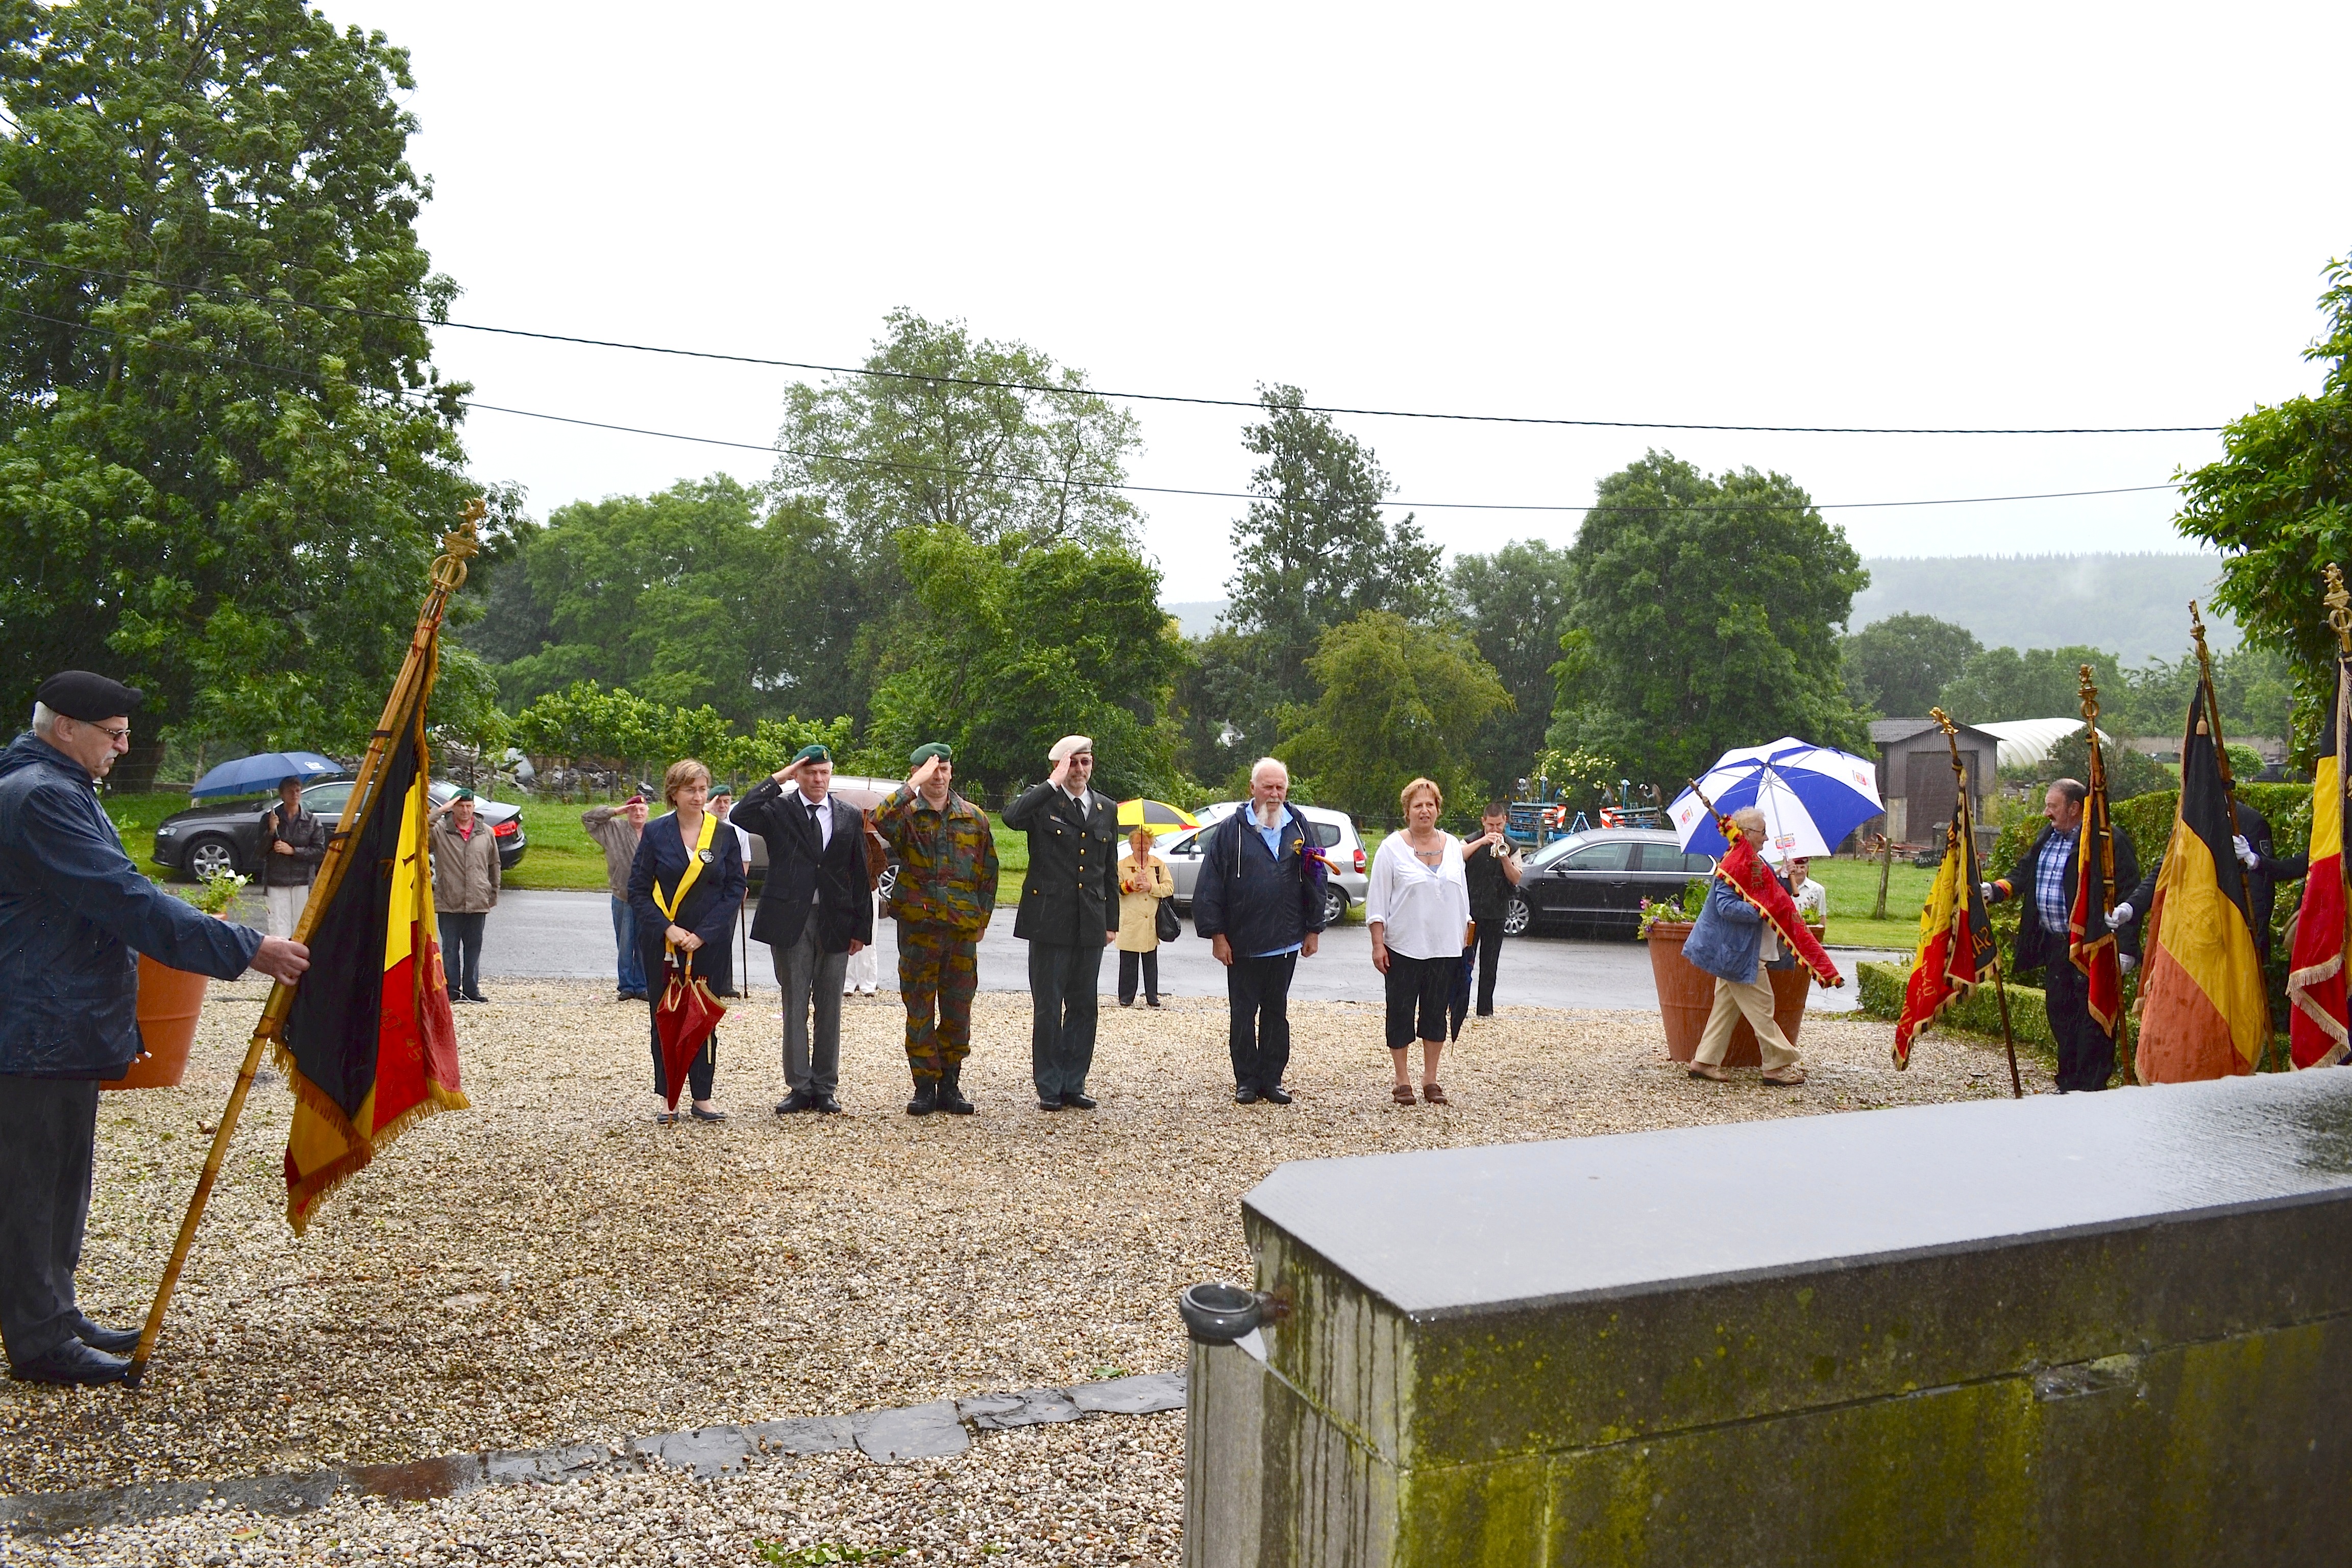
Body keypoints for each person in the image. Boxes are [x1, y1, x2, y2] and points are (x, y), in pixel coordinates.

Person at [1, 672, 310, 1385]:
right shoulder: (43, 796)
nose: (124, 745)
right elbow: (123, 898)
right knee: (31, 1185)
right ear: (65, 729)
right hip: (34, 1024)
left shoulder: (51, 785)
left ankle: (52, 1310)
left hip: (50, 1020)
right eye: (113, 734)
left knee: (57, 1184)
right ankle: (41, 1340)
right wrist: (247, 947)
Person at [733, 745, 872, 1114]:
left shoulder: (845, 815)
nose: (818, 780)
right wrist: (779, 777)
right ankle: (799, 1085)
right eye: (810, 773)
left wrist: (863, 928)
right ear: (798, 775)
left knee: (830, 1007)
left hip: (836, 921)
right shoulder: (779, 810)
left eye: (824, 773)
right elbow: (741, 812)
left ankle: (825, 1086)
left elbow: (859, 874)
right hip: (790, 920)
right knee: (795, 1004)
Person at [1982, 780, 2140, 1093]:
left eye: (2052, 806)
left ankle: (2091, 1086)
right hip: (2056, 945)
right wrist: (1996, 890)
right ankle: (2067, 1082)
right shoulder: (2048, 836)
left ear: (2074, 808)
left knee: (2092, 1019)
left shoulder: (2106, 841)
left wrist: (2129, 947)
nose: (2046, 813)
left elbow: (2130, 892)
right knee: (2060, 1013)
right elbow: (2024, 873)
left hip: (2092, 946)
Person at [1192, 757, 1327, 1106]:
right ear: (1252, 788)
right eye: (1268, 786)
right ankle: (1246, 1081)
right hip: (1242, 942)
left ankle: (1273, 1079)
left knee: (1276, 1013)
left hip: (1285, 939)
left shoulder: (1298, 826)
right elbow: (1210, 884)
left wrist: (1313, 928)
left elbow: (1315, 877)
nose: (1274, 793)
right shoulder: (1230, 831)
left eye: (1280, 786)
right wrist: (1217, 936)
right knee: (1242, 1014)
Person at [874, 744, 1000, 1115]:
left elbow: (989, 873)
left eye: (944, 769)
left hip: (961, 930)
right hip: (919, 930)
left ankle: (951, 1084)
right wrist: (912, 784)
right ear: (918, 774)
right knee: (920, 1009)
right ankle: (924, 1086)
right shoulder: (907, 815)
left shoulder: (973, 818)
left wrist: (982, 920)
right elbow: (880, 818)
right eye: (932, 770)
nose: (939, 776)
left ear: (952, 772)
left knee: (959, 1009)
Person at [1002, 736, 1122, 1111]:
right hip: (1049, 921)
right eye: (1073, 763)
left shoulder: (1105, 807)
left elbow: (1108, 870)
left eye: (1086, 762)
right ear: (1059, 766)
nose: (1081, 770)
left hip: (1089, 920)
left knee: (1085, 1006)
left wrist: (1111, 921)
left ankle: (1075, 1082)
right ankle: (1050, 1086)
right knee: (1049, 1007)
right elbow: (1011, 817)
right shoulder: (1043, 802)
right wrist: (1052, 783)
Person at [626, 758, 746, 1124]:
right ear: (674, 793)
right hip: (663, 944)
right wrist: (668, 928)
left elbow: (735, 889)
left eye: (702, 788)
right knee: (665, 1017)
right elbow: (639, 890)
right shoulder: (657, 832)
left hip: (708, 944)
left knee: (703, 1017)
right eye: (690, 789)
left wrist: (703, 934)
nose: (698, 796)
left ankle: (703, 1096)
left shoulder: (724, 834)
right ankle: (668, 1096)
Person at [1682, 807, 1813, 1087]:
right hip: (1739, 954)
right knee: (1763, 1009)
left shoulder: (1755, 861)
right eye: (1762, 832)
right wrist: (1763, 910)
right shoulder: (1732, 864)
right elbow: (1727, 907)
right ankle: (1777, 1067)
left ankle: (1703, 1062)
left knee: (1725, 1010)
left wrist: (1782, 879)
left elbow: (1766, 892)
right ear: (1746, 834)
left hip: (1739, 952)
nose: (1767, 838)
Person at [1368, 779, 1470, 1105]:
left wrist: (1466, 940)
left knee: (1436, 1012)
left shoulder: (1453, 846)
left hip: (1446, 948)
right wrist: (1378, 943)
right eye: (1418, 805)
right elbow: (1377, 901)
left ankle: (1431, 1079)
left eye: (1430, 805)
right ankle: (1402, 1080)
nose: (1424, 811)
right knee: (1400, 1011)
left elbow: (1461, 898)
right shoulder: (1391, 849)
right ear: (1407, 811)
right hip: (1403, 948)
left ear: (1438, 809)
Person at [2109, 798, 2293, 961]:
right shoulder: (2189, 819)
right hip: (2192, 943)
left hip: (2236, 943)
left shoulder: (2249, 822)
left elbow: (2260, 889)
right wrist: (2130, 908)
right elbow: (2165, 871)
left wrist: (2254, 939)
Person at [1455, 800, 1523, 1030]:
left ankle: (1485, 1009)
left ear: (1505, 823)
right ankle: (1458, 1006)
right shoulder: (1471, 839)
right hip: (1471, 914)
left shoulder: (1512, 846)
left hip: (1496, 912)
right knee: (1464, 961)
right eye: (1491, 825)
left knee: (1490, 964)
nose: (1495, 830)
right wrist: (1483, 841)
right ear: (1483, 822)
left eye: (1499, 825)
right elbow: (1456, 857)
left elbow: (1516, 878)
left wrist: (1504, 856)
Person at [428, 789, 500, 1004]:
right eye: (461, 806)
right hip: (449, 900)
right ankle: (451, 989)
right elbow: (419, 831)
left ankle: (471, 988)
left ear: (474, 808)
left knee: (474, 947)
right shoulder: (441, 831)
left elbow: (494, 864)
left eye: (469, 806)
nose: (465, 810)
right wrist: (440, 810)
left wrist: (493, 892)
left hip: (478, 900)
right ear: (454, 808)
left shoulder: (486, 832)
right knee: (450, 947)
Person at [582, 794, 650, 1001]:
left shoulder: (654, 832)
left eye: (642, 810)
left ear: (648, 812)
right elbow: (588, 818)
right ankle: (627, 986)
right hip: (622, 895)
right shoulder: (613, 829)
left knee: (645, 943)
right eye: (633, 809)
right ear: (626, 812)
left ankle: (643, 985)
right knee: (625, 942)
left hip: (649, 898)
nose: (638, 813)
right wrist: (615, 811)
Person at [257, 775, 328, 939]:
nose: (295, 795)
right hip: (277, 880)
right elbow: (259, 852)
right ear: (282, 794)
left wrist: (293, 851)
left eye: (298, 791)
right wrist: (270, 831)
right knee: (278, 927)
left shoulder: (312, 821)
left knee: (303, 926)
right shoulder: (269, 819)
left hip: (303, 881)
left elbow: (319, 852)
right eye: (290, 792)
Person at [1116, 825, 1175, 1008]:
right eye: (1138, 842)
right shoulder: (1122, 865)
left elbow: (1169, 888)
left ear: (1151, 844)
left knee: (1151, 962)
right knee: (1128, 962)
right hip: (1130, 920)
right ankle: (1126, 997)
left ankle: (1152, 996)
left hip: (1151, 920)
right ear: (1131, 844)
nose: (1142, 846)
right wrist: (1131, 885)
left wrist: (1152, 887)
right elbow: (1114, 889)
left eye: (1146, 843)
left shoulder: (1158, 865)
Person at [705, 785, 754, 998]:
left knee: (726, 936)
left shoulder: (738, 829)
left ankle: (725, 983)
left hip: (729, 890)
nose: (723, 806)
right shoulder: (704, 824)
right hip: (707, 889)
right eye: (719, 801)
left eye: (727, 801)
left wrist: (741, 885)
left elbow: (745, 860)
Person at [1782, 855, 1828, 926]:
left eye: (1802, 867)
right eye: (1796, 868)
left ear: (1808, 869)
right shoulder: (1782, 888)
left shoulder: (1818, 889)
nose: (1799, 871)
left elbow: (1822, 917)